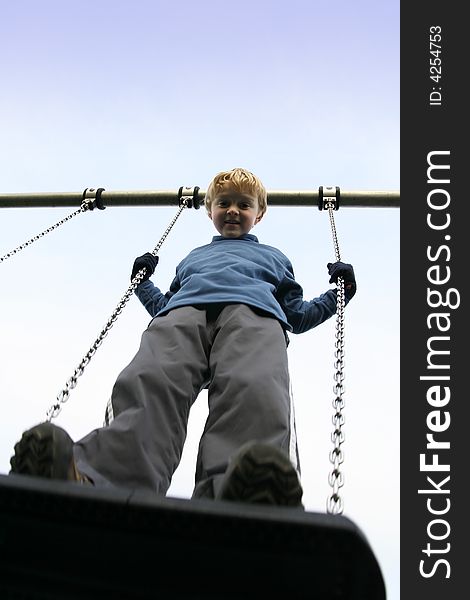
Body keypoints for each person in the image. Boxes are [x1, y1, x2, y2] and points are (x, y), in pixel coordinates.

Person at [10, 168, 356, 508]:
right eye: (224, 203)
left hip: (254, 314)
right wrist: (143, 284)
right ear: (210, 210)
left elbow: (296, 315)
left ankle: (241, 488)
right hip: (184, 312)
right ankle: (102, 479)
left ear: (259, 214)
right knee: (152, 379)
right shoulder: (193, 258)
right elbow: (165, 302)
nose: (233, 210)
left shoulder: (275, 258)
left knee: (254, 387)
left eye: (243, 204)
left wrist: (336, 294)